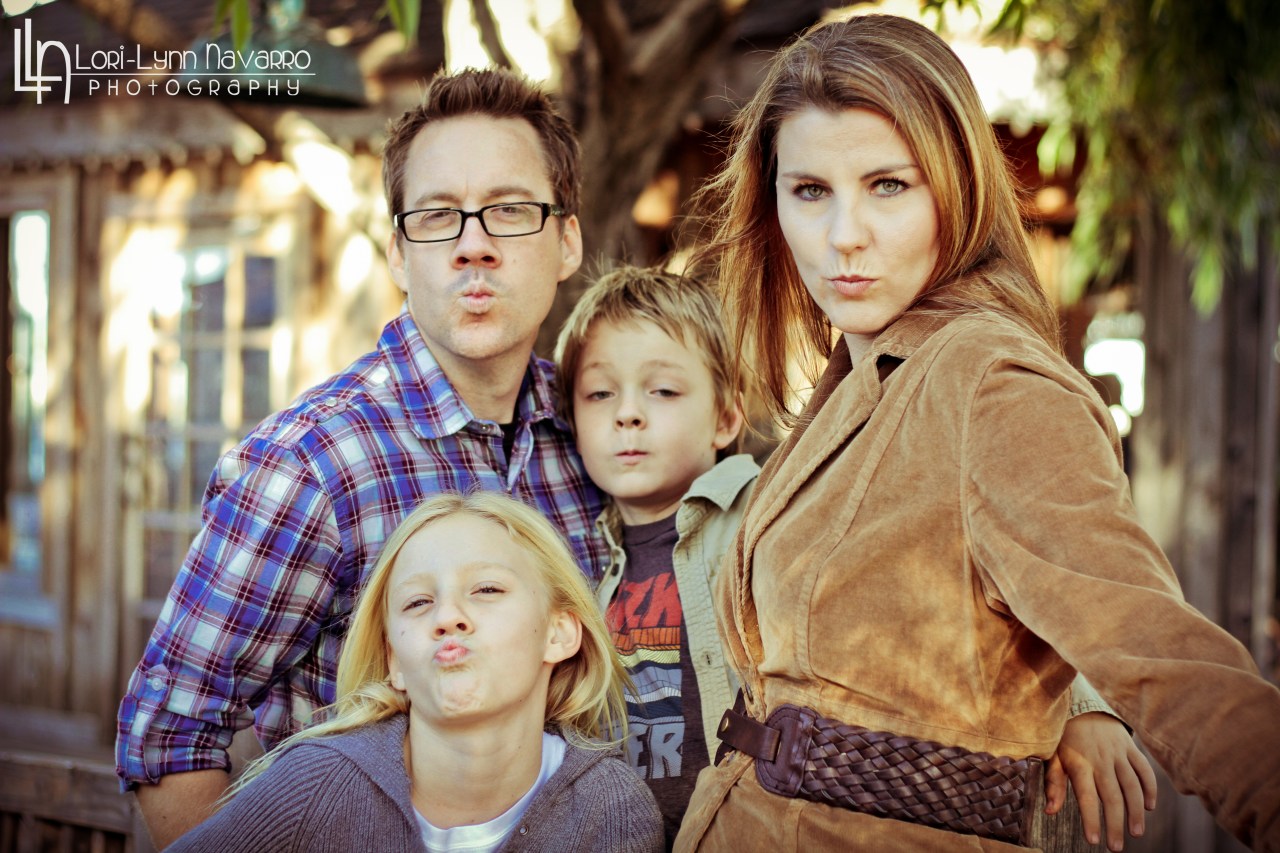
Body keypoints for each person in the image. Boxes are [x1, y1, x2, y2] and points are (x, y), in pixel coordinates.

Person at [674, 13, 1280, 853]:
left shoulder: (992, 384)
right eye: (810, 190)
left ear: (956, 189)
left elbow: (1164, 658)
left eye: (889, 185)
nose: (844, 234)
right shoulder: (864, 375)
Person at [116, 67, 605, 848]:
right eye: (438, 216)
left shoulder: (594, 436)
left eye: (510, 210)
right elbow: (169, 732)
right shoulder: (309, 463)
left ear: (566, 240)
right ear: (398, 254)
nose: (474, 246)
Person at [555, 266, 1155, 849]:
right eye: (600, 393)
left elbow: (971, 580)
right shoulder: (574, 550)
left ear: (726, 417)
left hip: (747, 818)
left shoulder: (772, 515)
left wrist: (1084, 707)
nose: (626, 414)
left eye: (662, 390)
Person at [167, 491, 664, 852]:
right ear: (394, 663)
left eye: (487, 590)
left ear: (559, 633)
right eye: (418, 602)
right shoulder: (313, 786)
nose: (447, 616)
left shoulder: (612, 811)